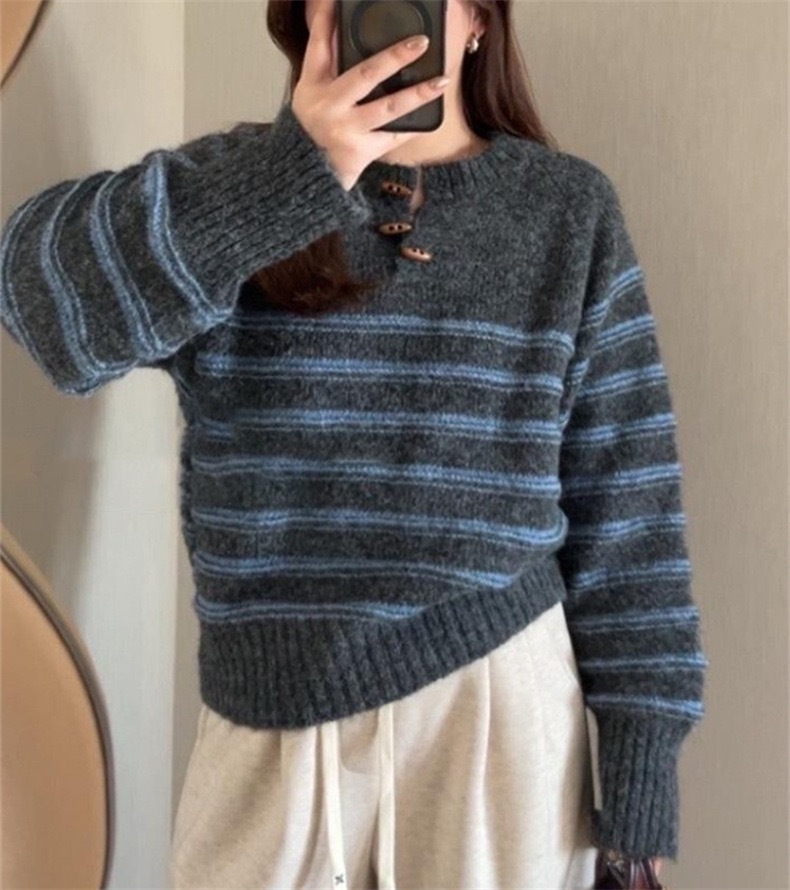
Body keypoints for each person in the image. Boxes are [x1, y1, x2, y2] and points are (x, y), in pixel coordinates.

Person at [0, 0, 707, 887]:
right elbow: (37, 301)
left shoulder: (565, 210)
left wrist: (640, 780)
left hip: (495, 712)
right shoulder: (235, 187)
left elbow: (630, 505)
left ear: (478, 21)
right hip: (271, 717)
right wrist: (291, 178)